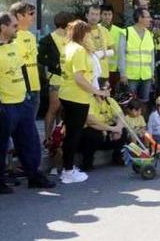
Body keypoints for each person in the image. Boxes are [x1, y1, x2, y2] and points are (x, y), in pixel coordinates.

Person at [0, 13, 55, 194]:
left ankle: (33, 176)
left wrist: (28, 94)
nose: (17, 28)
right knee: (0, 144)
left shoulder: (14, 45)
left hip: (22, 103)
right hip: (5, 106)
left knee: (30, 141)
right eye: (13, 26)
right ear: (3, 27)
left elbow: (23, 70)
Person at [58, 19, 109, 184]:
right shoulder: (79, 50)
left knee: (70, 134)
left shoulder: (68, 47)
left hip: (67, 94)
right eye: (88, 34)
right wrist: (97, 91)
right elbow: (79, 78)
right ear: (82, 34)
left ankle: (68, 168)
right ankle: (68, 171)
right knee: (73, 135)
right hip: (76, 97)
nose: (90, 37)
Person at [38, 11, 71, 146]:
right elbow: (40, 58)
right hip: (56, 78)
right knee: (54, 108)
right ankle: (47, 139)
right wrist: (55, 64)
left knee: (63, 110)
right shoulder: (47, 39)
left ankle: (59, 138)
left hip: (70, 79)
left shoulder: (72, 38)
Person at [119, 8, 156, 115]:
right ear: (140, 18)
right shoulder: (126, 32)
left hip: (146, 75)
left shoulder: (149, 34)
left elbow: (151, 55)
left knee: (144, 101)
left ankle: (141, 124)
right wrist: (122, 73)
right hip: (130, 75)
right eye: (148, 17)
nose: (150, 19)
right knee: (129, 102)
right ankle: (128, 125)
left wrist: (152, 73)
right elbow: (121, 55)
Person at [81, 88, 126, 170]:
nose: (109, 91)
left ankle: (117, 156)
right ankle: (87, 162)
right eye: (107, 89)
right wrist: (112, 129)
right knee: (91, 134)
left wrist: (118, 128)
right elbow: (91, 121)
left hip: (108, 130)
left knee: (123, 130)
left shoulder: (110, 100)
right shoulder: (89, 100)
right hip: (94, 129)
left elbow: (121, 115)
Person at [8, 2, 41, 116]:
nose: (34, 16)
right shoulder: (11, 36)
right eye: (31, 14)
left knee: (30, 124)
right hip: (20, 88)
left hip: (35, 86)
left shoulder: (31, 36)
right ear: (19, 16)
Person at [86, 4, 116, 87]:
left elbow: (114, 50)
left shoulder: (104, 31)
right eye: (92, 14)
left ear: (100, 17)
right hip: (88, 73)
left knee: (103, 98)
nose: (94, 17)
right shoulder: (82, 30)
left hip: (103, 73)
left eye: (97, 14)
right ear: (87, 15)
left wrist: (102, 53)